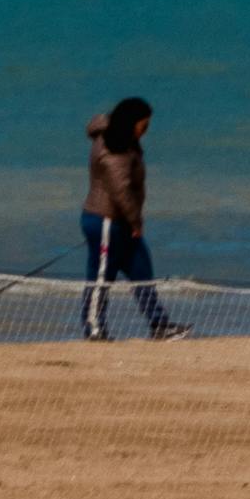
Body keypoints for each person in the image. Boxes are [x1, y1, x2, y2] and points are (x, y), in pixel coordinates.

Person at [78, 100, 178, 342]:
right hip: (106, 221)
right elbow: (121, 191)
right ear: (131, 123)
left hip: (122, 223)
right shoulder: (114, 150)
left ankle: (159, 324)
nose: (146, 129)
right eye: (143, 124)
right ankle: (94, 328)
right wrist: (135, 223)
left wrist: (132, 223)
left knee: (142, 272)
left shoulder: (125, 142)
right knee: (101, 277)